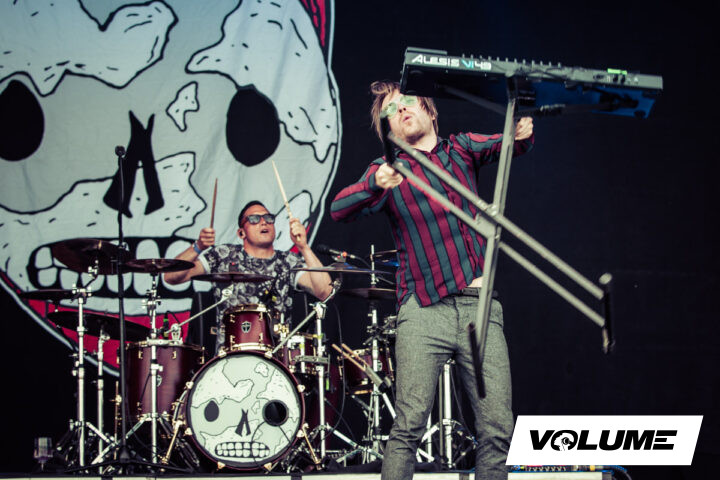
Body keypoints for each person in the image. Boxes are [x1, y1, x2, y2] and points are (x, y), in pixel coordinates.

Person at [330, 80, 534, 480]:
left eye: (408, 101)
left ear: (430, 110)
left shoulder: (460, 148)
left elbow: (508, 144)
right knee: (407, 427)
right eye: (391, 110)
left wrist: (521, 132)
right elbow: (339, 209)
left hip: (479, 308)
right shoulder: (387, 169)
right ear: (388, 129)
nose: (402, 110)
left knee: (497, 428)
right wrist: (375, 183)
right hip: (423, 310)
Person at [164, 200, 333, 353]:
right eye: (254, 219)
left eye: (268, 218)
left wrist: (303, 247)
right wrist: (198, 246)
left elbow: (325, 292)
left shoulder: (288, 261)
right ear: (241, 233)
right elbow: (171, 277)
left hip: (276, 358)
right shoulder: (224, 255)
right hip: (229, 357)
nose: (263, 222)